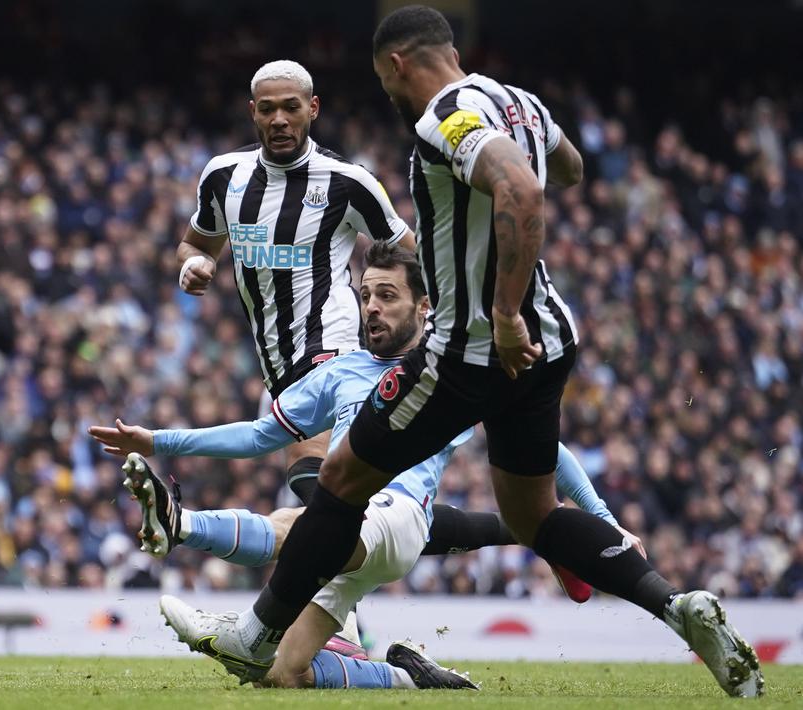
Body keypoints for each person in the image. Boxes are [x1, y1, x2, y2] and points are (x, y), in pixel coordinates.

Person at [158, 6, 763, 698]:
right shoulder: (520, 102)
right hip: (547, 342)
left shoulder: (444, 115)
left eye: (384, 84)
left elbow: (523, 186)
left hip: (476, 344)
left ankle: (256, 633)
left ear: (396, 65)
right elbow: (565, 167)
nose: (388, 99)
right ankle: (676, 607)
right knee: (531, 516)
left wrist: (501, 311)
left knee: (340, 476)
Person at [91, 242, 628, 690]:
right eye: (366, 295)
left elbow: (546, 450)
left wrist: (598, 513)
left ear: (424, 307)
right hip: (353, 522)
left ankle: (183, 525)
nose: (371, 307)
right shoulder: (342, 372)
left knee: (312, 523)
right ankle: (408, 679)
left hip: (396, 519)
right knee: (284, 675)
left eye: (387, 296)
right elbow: (258, 436)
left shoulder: (451, 370)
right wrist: (158, 440)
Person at [177, 59, 415, 508]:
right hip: (275, 357)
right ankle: (505, 529)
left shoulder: (349, 182)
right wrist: (193, 265)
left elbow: (410, 254)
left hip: (332, 340)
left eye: (291, 107)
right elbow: (195, 245)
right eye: (267, 109)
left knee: (321, 482)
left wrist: (399, 316)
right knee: (333, 498)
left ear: (313, 108)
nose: (279, 119)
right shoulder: (224, 176)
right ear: (253, 112)